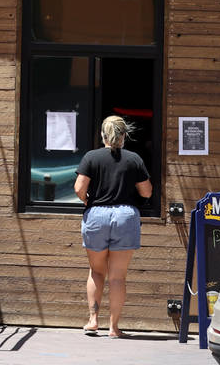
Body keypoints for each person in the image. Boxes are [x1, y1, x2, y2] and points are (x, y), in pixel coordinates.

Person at [73, 115, 152, 338]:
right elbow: (146, 192)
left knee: (97, 271)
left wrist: (89, 201)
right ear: (124, 135)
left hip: (97, 215)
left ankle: (93, 320)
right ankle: (114, 328)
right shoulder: (133, 159)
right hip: (126, 215)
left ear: (102, 135)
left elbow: (79, 188)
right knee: (117, 277)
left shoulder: (91, 157)